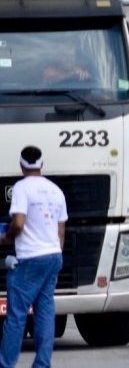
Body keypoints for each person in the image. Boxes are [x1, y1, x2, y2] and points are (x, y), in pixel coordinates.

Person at [0, 146, 66, 367]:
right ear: (41, 164)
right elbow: (61, 232)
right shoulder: (56, 190)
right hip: (53, 256)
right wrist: (56, 260)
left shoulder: (21, 188)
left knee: (16, 316)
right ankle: (42, 364)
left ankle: (6, 364)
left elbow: (18, 222)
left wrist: (6, 238)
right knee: (45, 313)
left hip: (31, 258)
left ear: (21, 165)